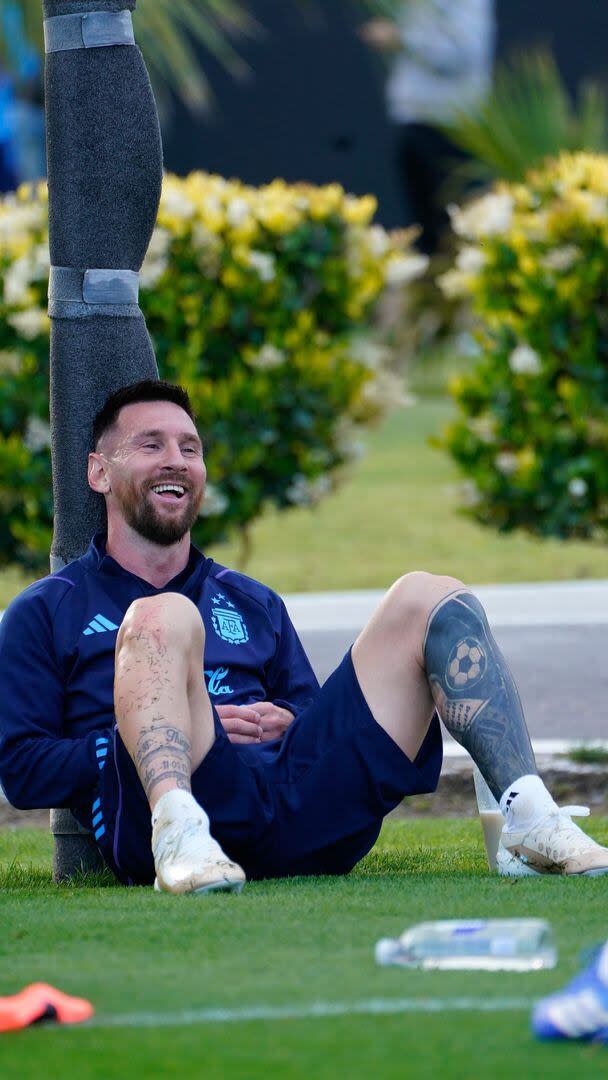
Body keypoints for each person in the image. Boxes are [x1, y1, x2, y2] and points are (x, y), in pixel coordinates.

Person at [0, 379, 606, 895]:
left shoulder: (251, 600)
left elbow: (312, 714)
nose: (176, 460)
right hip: (166, 816)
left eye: (190, 447)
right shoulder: (45, 610)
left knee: (428, 593)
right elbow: (21, 769)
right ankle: (181, 835)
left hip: (296, 806)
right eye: (150, 445)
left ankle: (528, 814)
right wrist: (162, 734)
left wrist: (286, 720)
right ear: (98, 472)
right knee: (162, 615)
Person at [360, 0, 495, 252]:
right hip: (414, 122)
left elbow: (463, 54)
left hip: (451, 127)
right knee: (426, 233)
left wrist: (402, 40)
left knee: (458, 229)